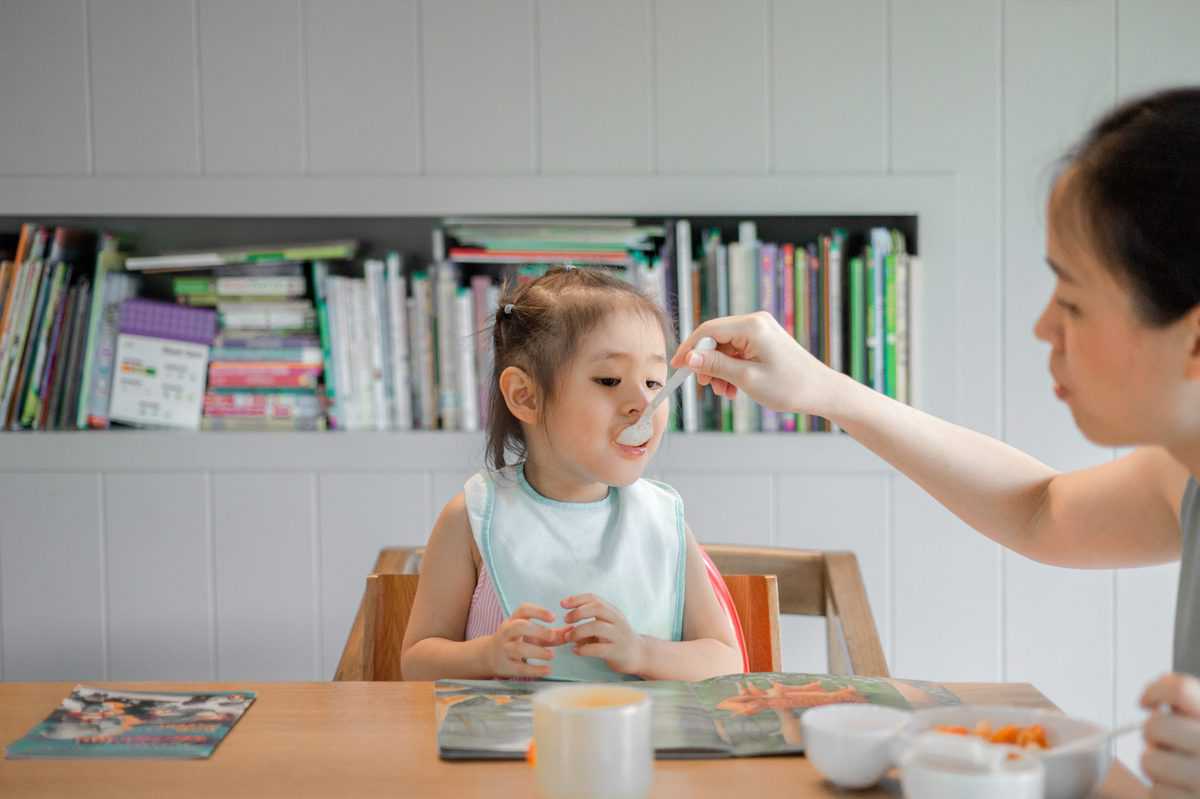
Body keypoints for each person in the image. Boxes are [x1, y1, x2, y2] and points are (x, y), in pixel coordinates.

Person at [671, 86, 1200, 795]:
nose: (1044, 326)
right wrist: (823, 389)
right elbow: (1041, 509)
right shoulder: (1183, 475)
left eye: (1071, 300)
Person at [401, 267, 742, 683]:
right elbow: (416, 662)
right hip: (509, 746)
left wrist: (640, 652)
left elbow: (726, 661)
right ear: (525, 396)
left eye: (655, 382)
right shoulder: (470, 519)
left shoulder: (663, 520)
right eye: (609, 379)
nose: (643, 402)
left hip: (644, 744)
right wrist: (486, 656)